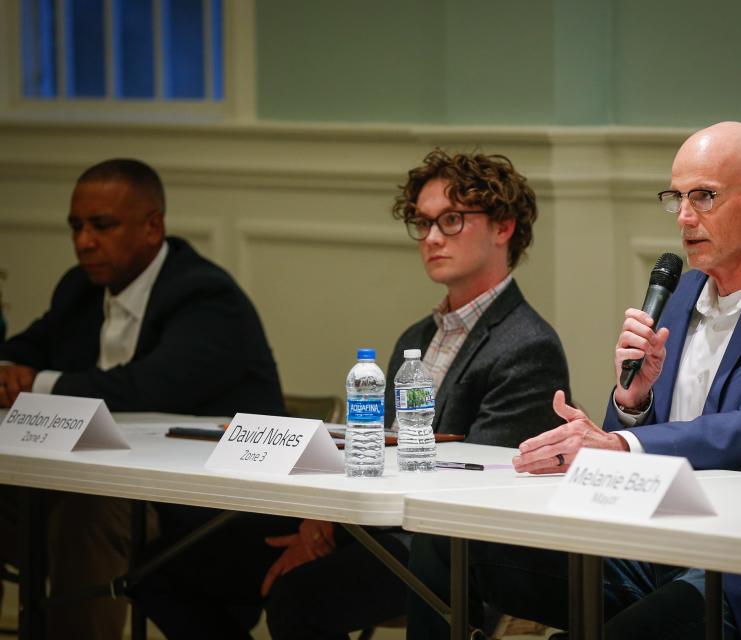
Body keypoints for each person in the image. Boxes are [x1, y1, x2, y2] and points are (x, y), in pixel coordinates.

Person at [407, 122, 741, 639]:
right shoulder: (681, 290)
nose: (686, 217)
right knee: (446, 540)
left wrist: (619, 443)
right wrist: (632, 401)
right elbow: (632, 434)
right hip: (645, 544)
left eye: (705, 197)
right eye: (677, 198)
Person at [135, 150, 572, 640]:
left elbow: (473, 484)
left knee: (299, 596)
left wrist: (331, 529)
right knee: (162, 571)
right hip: (373, 526)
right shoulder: (416, 337)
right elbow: (382, 448)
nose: (430, 238)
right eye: (422, 222)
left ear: (503, 227)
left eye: (451, 221)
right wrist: (321, 521)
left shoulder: (528, 345)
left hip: (448, 548)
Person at [0, 158, 287, 640]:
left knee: (86, 508)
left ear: (153, 228)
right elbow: (22, 350)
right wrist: (10, 373)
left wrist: (31, 384)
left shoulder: (205, 296)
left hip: (208, 506)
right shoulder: (80, 289)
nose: (84, 242)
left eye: (102, 225)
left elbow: (141, 391)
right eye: (76, 226)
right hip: (101, 486)